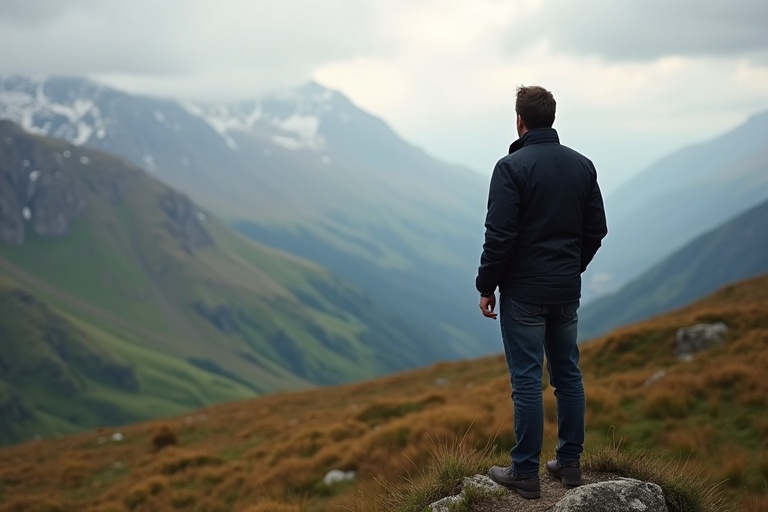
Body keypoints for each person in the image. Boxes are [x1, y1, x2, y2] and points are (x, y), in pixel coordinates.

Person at [475, 85, 607, 499]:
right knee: (568, 374)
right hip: (566, 290)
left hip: (524, 293)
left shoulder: (511, 168)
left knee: (528, 379)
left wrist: (486, 285)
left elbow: (499, 236)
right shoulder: (582, 166)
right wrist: (572, 267)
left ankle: (525, 472)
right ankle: (569, 463)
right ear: (551, 117)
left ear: (520, 120)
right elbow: (596, 230)